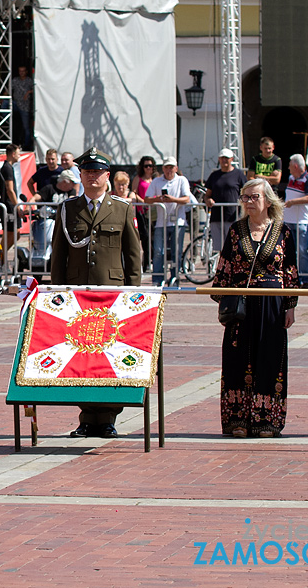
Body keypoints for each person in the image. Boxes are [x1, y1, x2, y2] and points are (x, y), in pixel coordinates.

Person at [49, 148, 141, 439]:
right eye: (87, 171)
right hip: (78, 295)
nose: (92, 176)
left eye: (97, 172)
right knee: (83, 356)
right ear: (80, 175)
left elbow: (133, 255)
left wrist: (134, 296)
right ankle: (87, 417)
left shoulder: (122, 208)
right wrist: (58, 293)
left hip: (112, 294)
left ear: (107, 176)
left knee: (108, 358)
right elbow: (59, 255)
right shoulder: (68, 209)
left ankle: (108, 417)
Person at [212, 178, 298, 438]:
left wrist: (290, 306)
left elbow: (291, 270)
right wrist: (223, 299)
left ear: (268, 200)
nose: (249, 202)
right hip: (241, 303)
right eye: (245, 197)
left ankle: (267, 421)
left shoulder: (283, 232)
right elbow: (224, 265)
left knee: (271, 358)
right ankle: (237, 420)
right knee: (238, 359)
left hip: (272, 302)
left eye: (254, 197)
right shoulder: (236, 230)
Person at [145, 156, 192, 286]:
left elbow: (186, 199)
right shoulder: (156, 181)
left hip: (178, 222)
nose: (169, 170)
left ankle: (175, 278)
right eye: (166, 167)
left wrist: (173, 199)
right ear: (163, 168)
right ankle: (157, 279)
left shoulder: (182, 180)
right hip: (161, 222)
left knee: (176, 251)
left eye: (171, 167)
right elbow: (147, 199)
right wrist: (159, 199)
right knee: (158, 252)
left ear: (176, 168)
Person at [204, 148, 246, 257]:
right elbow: (207, 194)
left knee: (233, 246)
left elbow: (245, 192)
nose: (224, 161)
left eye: (226, 158)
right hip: (216, 216)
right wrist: (208, 200)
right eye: (222, 158)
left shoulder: (239, 174)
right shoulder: (214, 175)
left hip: (233, 217)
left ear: (231, 159)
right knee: (219, 248)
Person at [283, 154, 308, 288]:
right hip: (289, 220)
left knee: (302, 250)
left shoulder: (307, 179)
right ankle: (292, 277)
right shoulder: (291, 178)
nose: (288, 167)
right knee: (290, 250)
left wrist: (293, 202)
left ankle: (306, 279)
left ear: (296, 166)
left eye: (290, 165)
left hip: (301, 220)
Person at [133, 156, 156, 273]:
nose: (148, 168)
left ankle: (153, 261)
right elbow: (133, 192)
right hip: (142, 211)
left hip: (155, 211)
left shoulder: (155, 179)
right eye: (146, 166)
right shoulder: (138, 178)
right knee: (145, 237)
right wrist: (143, 201)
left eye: (150, 166)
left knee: (154, 238)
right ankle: (145, 263)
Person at [0, 143, 22, 252]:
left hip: (9, 206)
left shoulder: (8, 167)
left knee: (13, 234)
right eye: (18, 154)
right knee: (12, 233)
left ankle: (0, 257)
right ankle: (0, 256)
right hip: (9, 207)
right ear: (13, 154)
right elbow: (10, 189)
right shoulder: (7, 168)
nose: (19, 156)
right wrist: (17, 206)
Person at [11, 65, 34, 148]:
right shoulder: (15, 80)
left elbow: (36, 88)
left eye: (23, 71)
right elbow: (9, 89)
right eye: (20, 71)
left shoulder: (29, 81)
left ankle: (26, 145)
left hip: (25, 106)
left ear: (26, 72)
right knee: (6, 103)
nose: (21, 73)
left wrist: (28, 92)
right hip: (16, 103)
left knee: (26, 127)